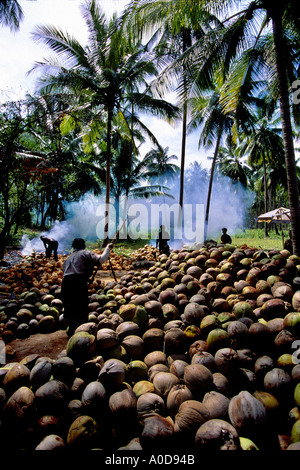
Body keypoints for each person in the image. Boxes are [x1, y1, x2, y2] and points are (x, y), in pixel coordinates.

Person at [61, 238, 113, 336]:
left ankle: (72, 332)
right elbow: (101, 260)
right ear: (83, 245)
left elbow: (69, 273)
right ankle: (82, 334)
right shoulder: (85, 253)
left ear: (74, 247)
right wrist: (108, 248)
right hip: (77, 283)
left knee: (70, 310)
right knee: (81, 309)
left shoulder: (68, 258)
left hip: (65, 285)